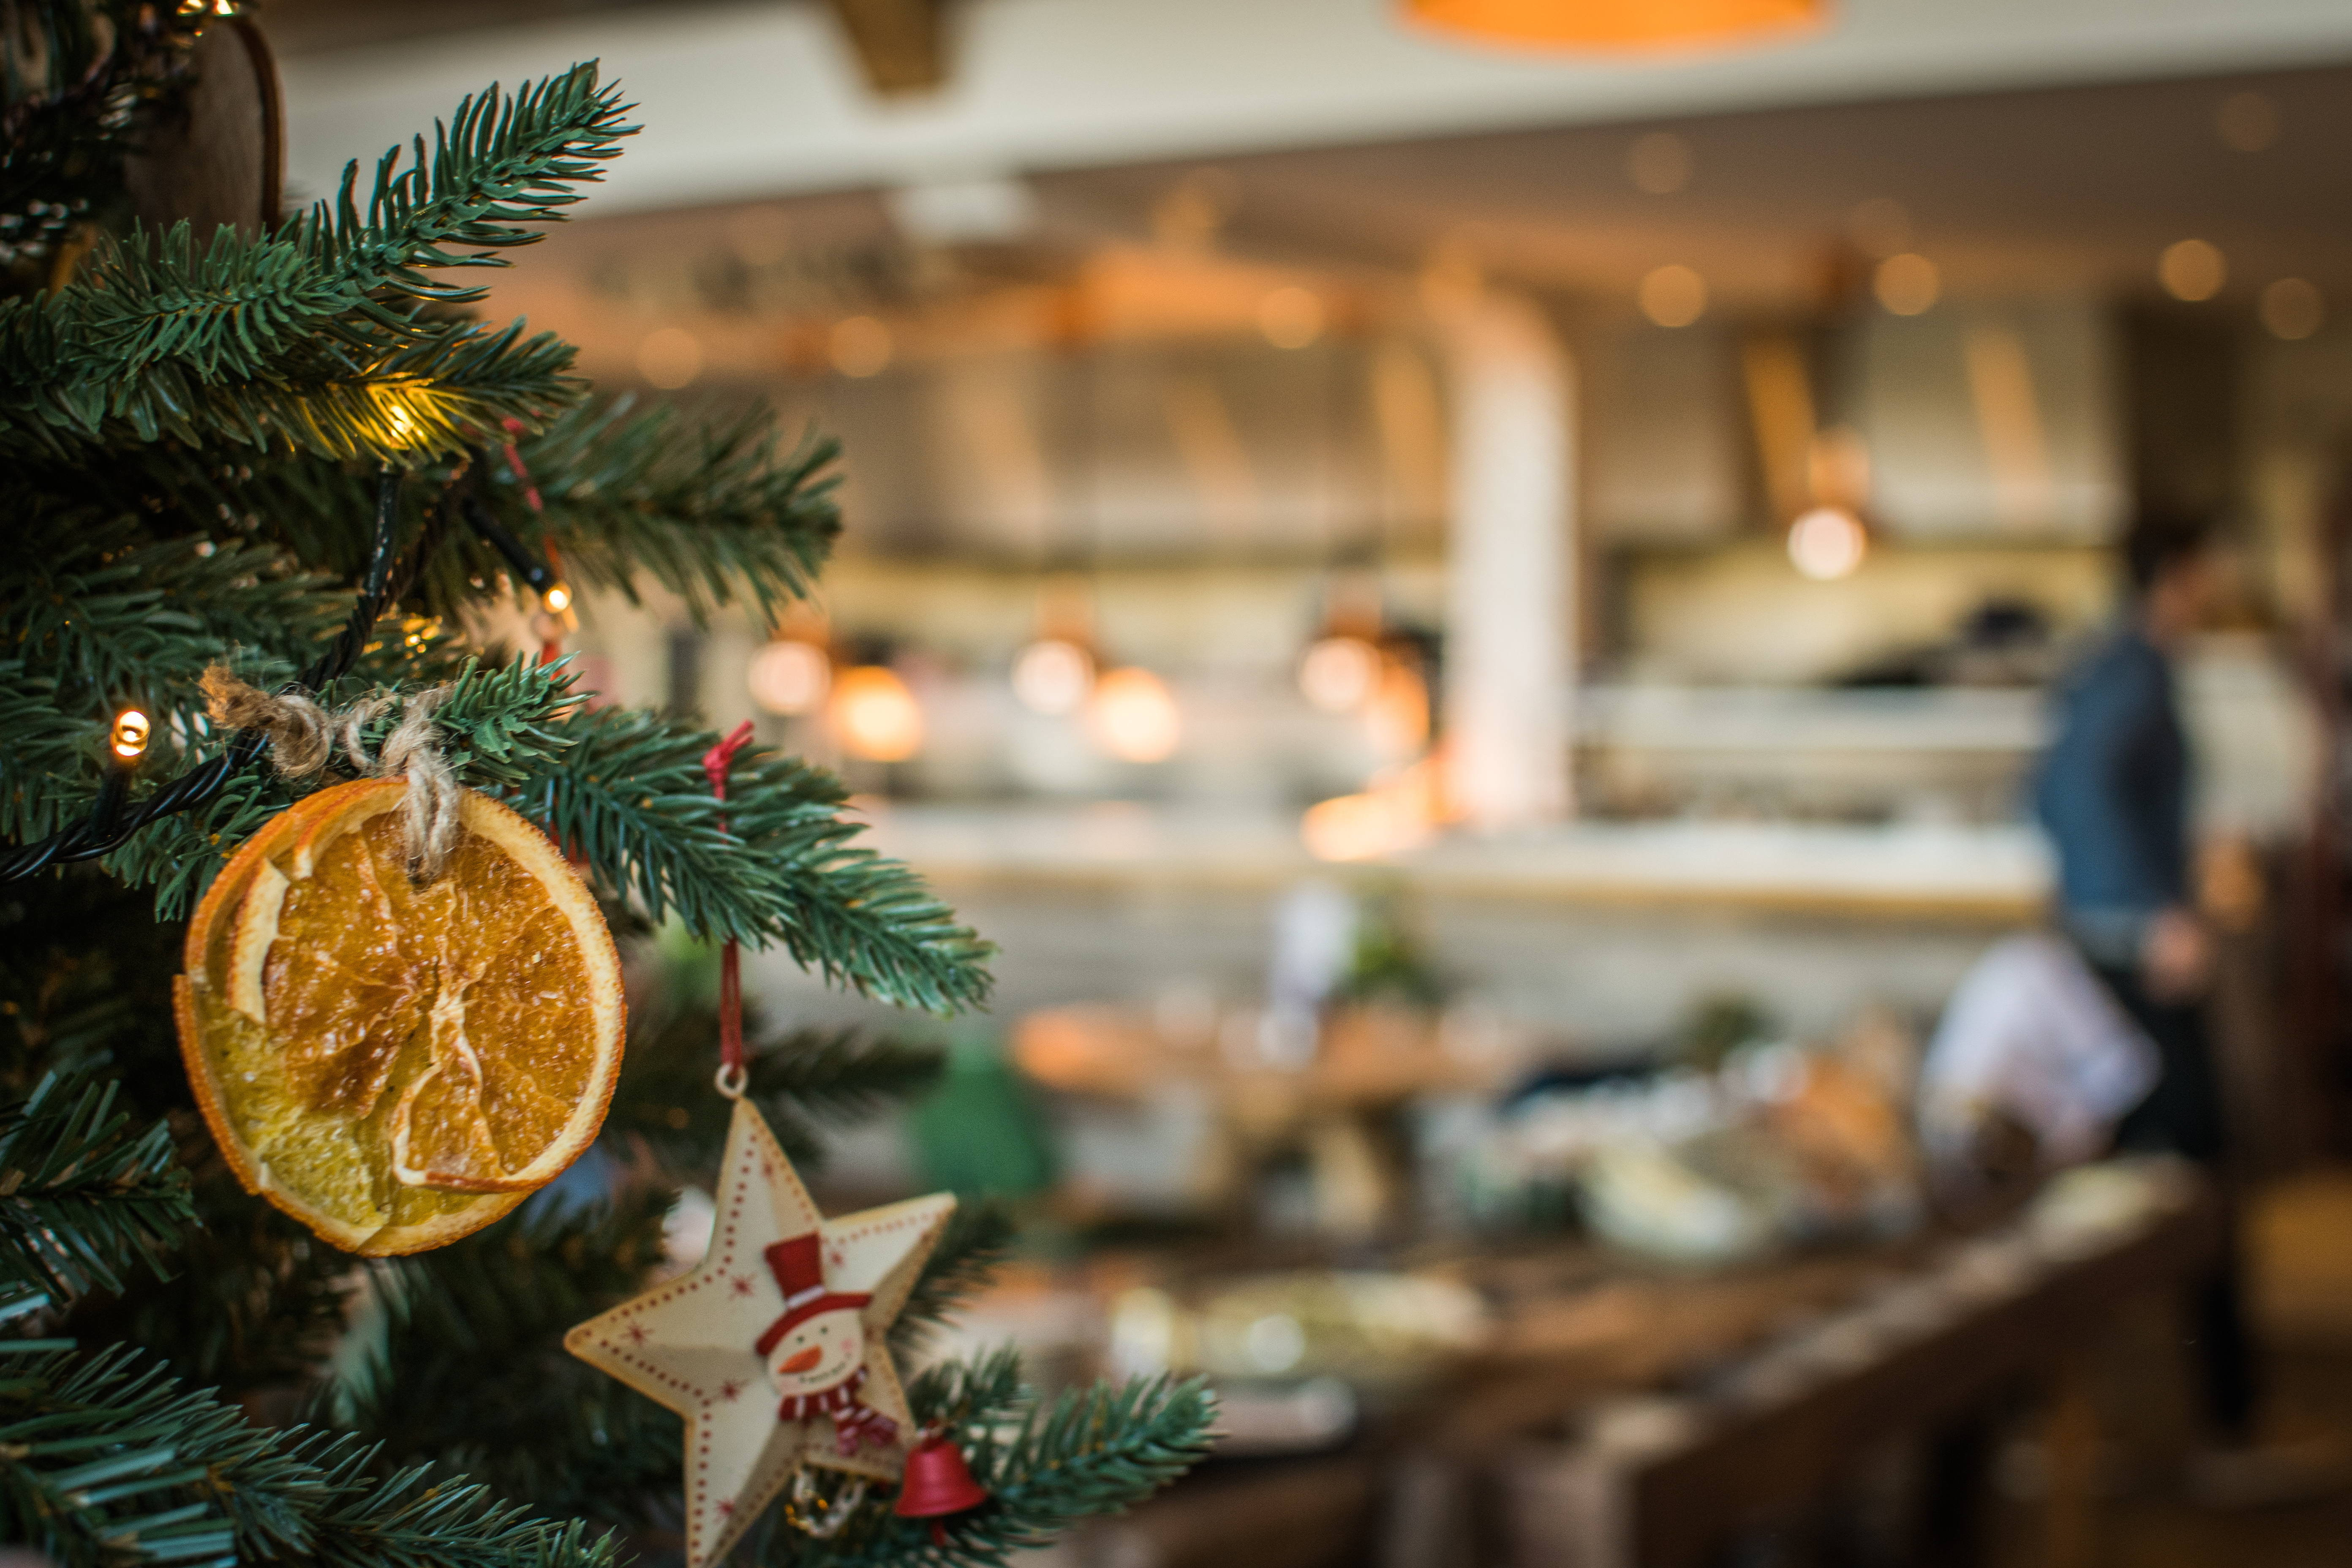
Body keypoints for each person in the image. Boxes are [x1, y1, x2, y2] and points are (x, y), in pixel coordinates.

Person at [2034, 512, 2336, 1504]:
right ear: (2182, 573)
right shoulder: (2136, 670)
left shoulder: (2110, 662)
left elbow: (2044, 795)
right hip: (2142, 967)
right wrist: (2156, 911)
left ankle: (2118, 1421)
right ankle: (2221, 1423)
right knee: (2199, 1184)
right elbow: (2078, 790)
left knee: (2126, 1190)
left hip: (2110, 956)